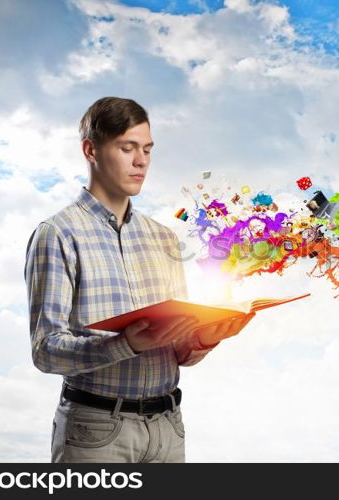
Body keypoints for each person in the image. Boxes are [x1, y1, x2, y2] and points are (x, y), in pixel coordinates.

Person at [23, 96, 255, 463]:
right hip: (96, 431)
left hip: (168, 428)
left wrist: (205, 339)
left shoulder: (163, 238)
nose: (141, 161)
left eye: (147, 149)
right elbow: (45, 351)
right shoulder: (58, 234)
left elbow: (178, 351)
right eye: (127, 147)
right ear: (91, 150)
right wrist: (126, 343)